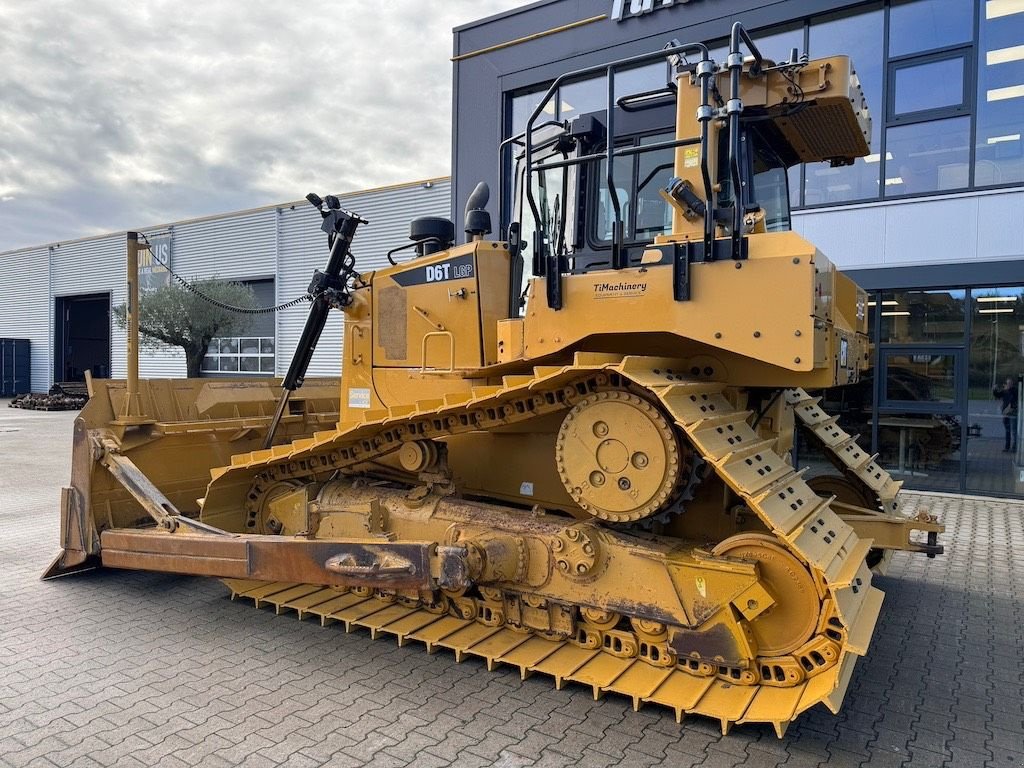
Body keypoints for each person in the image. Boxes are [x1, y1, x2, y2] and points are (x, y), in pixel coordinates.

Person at [993, 377, 1018, 453]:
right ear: (1006, 384)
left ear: (1012, 384)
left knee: (1014, 430)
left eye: (1010, 383)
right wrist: (994, 389)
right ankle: (1007, 447)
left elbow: (1014, 398)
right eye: (1008, 383)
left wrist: (1008, 389)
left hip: (1013, 412)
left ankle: (1014, 447)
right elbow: (997, 395)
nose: (1009, 385)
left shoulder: (1015, 390)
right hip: (1005, 413)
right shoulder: (1004, 391)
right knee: (1007, 430)